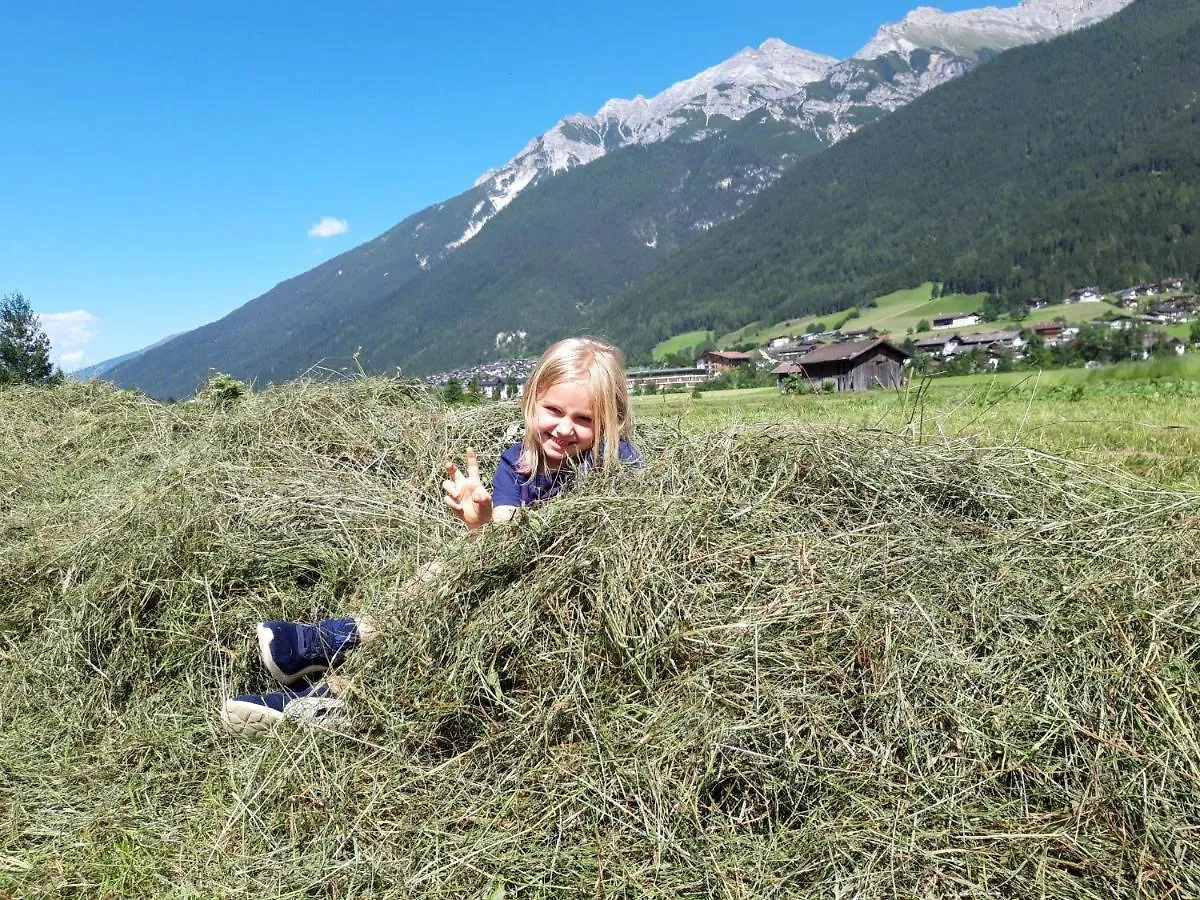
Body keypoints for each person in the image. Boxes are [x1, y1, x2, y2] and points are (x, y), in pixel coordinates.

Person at [220, 336, 639, 736]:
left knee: (460, 610)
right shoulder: (517, 462)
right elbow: (507, 544)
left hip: (573, 600)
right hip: (519, 578)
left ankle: (342, 698)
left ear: (610, 421)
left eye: (584, 419)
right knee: (443, 570)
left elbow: (614, 543)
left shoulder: (616, 466)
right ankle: (339, 642)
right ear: (531, 399)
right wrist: (482, 523)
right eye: (554, 410)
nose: (565, 429)